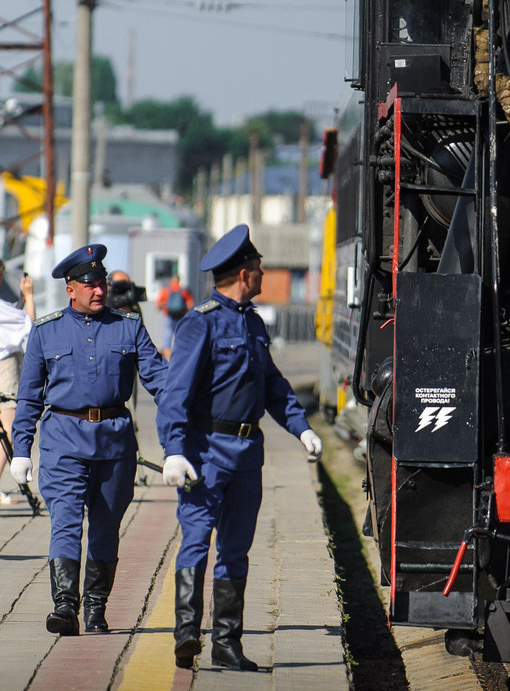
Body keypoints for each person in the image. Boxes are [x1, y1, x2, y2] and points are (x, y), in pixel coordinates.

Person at [155, 224, 321, 671]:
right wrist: (174, 449)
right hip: (205, 450)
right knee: (195, 539)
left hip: (247, 454)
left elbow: (272, 385)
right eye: (259, 267)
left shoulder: (251, 323)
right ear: (245, 274)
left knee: (236, 548)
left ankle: (227, 644)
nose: (264, 272)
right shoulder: (199, 322)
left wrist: (301, 428)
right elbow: (175, 393)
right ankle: (187, 633)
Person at [8, 244, 168, 635]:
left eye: (103, 283)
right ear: (70, 288)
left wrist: (190, 424)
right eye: (90, 284)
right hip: (63, 439)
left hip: (114, 442)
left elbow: (161, 383)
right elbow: (29, 396)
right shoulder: (47, 332)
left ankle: (95, 607)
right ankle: (65, 606)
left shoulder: (129, 326)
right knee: (64, 521)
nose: (99, 290)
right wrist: (21, 449)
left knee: (105, 525)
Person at [0, 263, 35, 504]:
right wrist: (30, 297)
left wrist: (21, 302)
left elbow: (13, 319)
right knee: (9, 430)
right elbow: (29, 324)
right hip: (5, 369)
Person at [155, 274, 193, 351]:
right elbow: (190, 304)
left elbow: (158, 305)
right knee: (180, 337)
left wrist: (164, 306)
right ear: (179, 281)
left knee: (167, 339)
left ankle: (167, 356)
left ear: (171, 280)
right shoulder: (183, 291)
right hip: (180, 316)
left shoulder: (165, 290)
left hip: (168, 316)